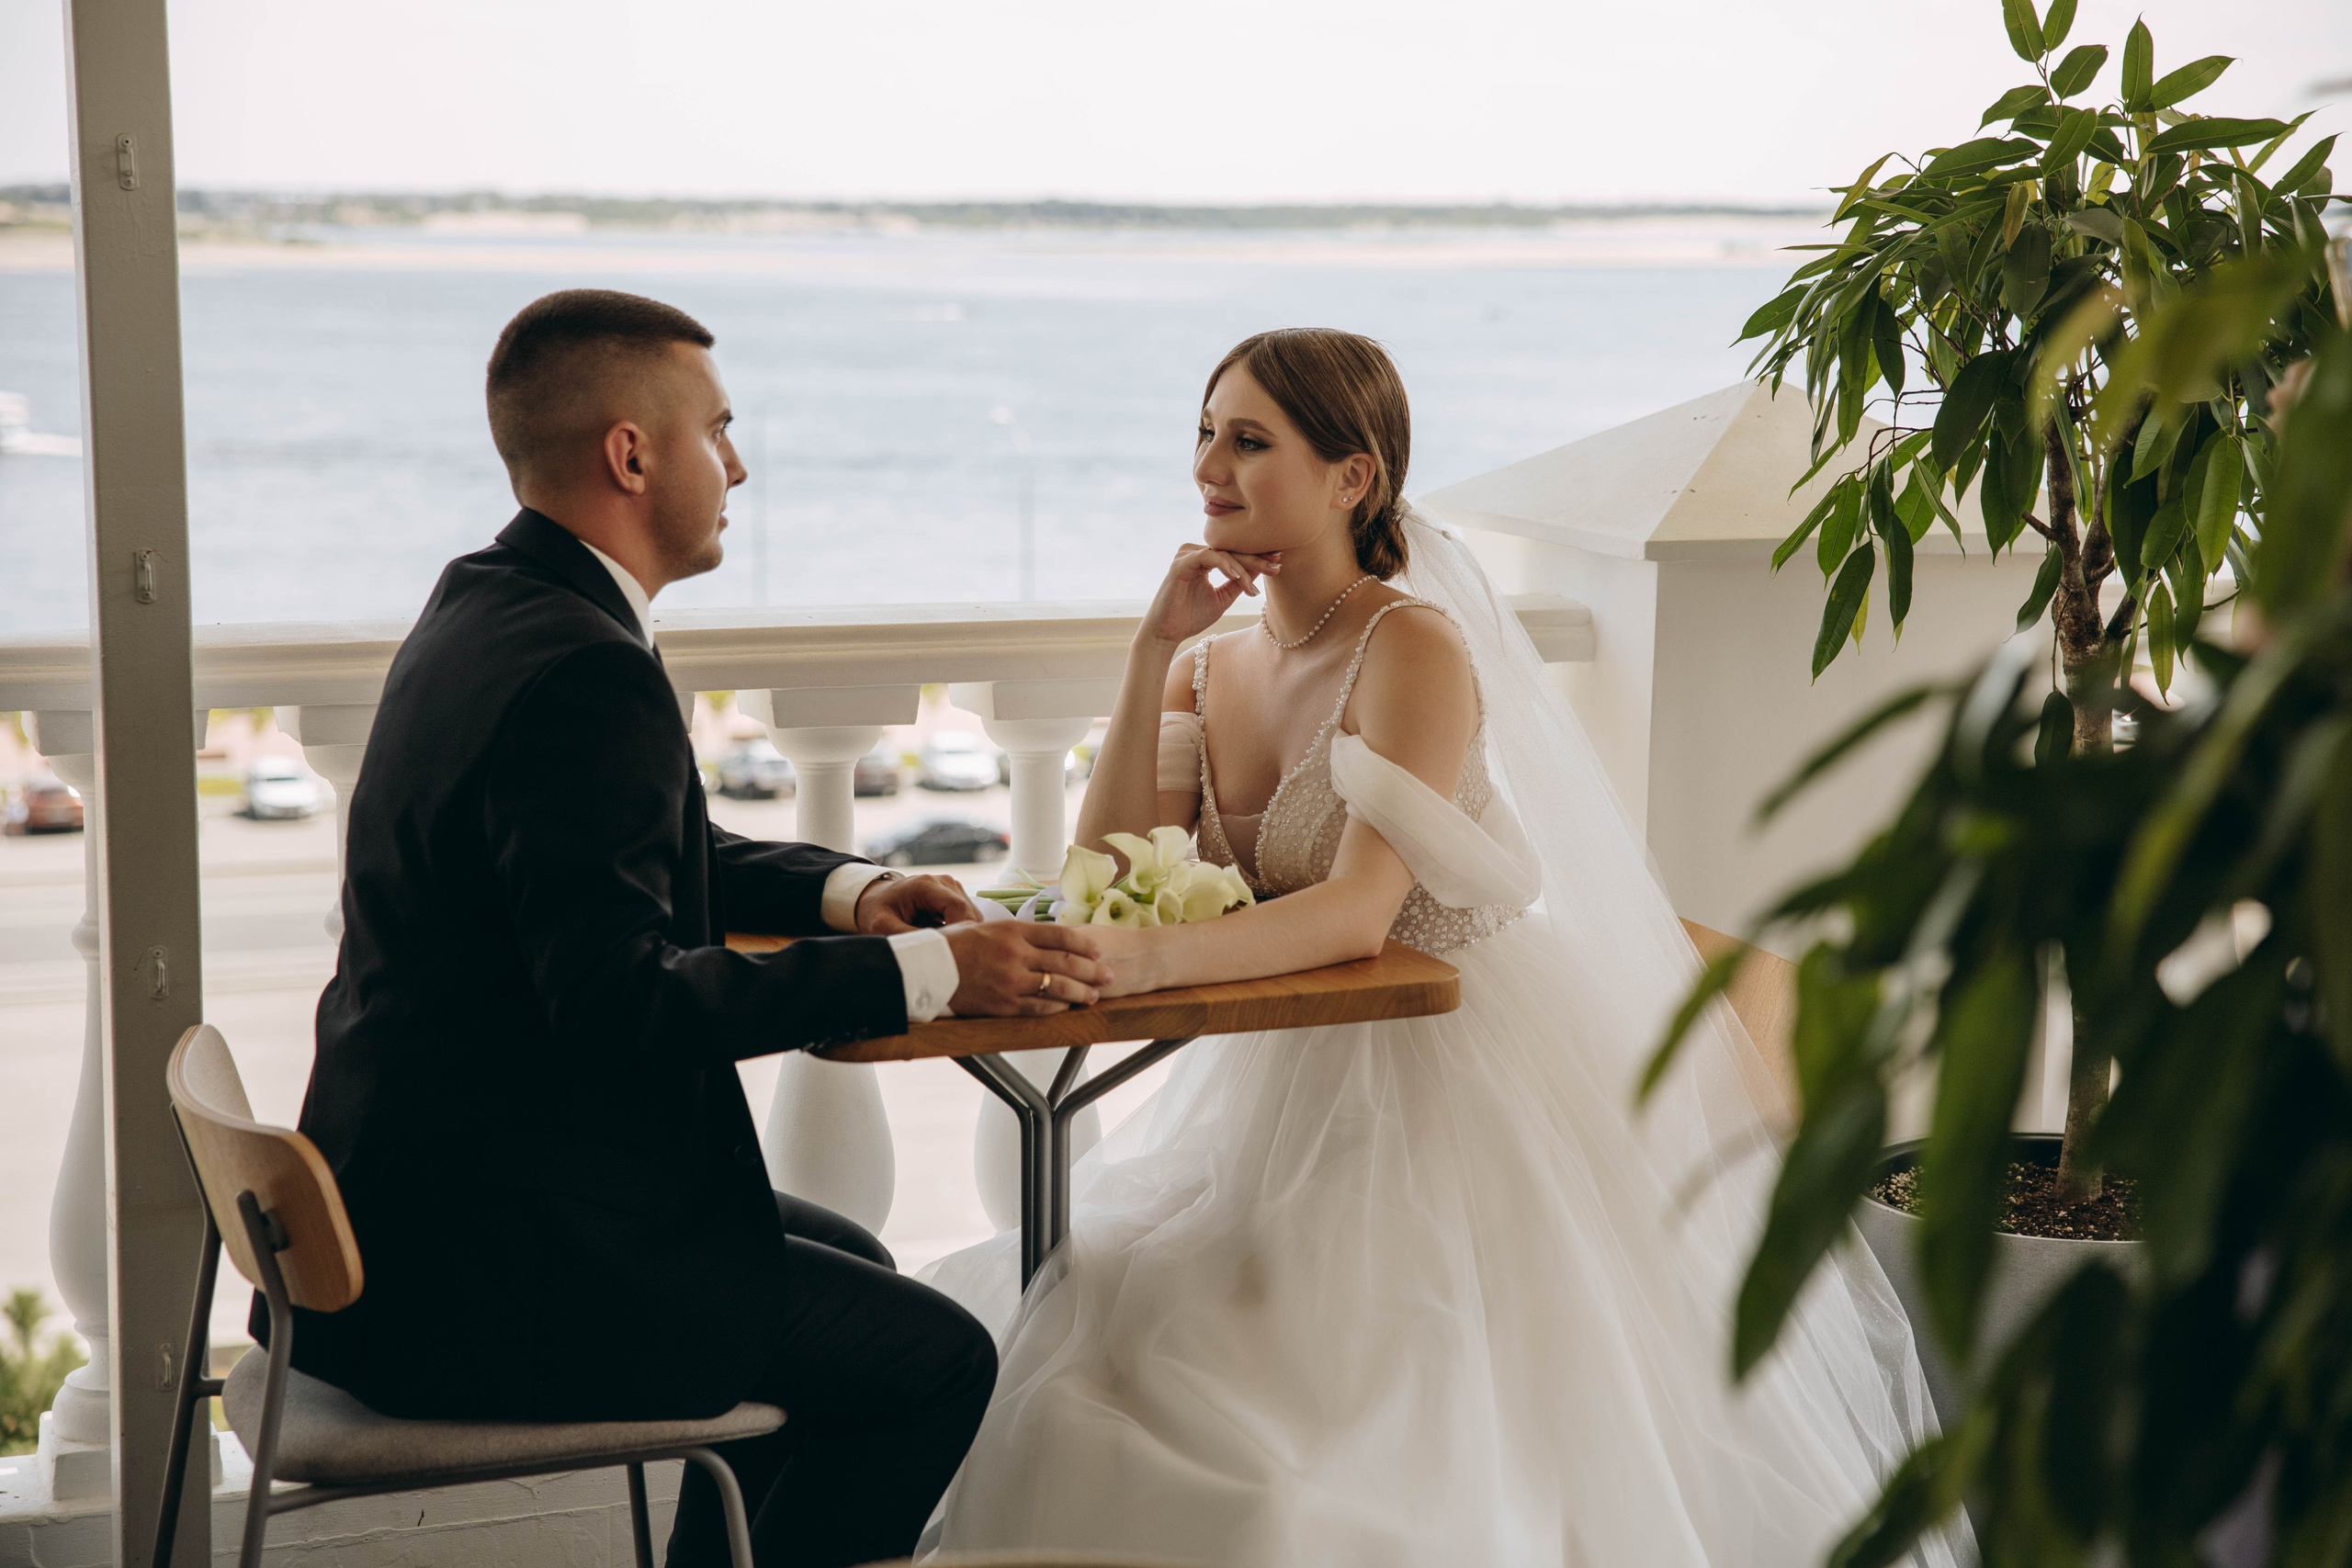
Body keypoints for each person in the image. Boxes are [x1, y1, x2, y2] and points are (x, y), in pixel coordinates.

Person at [922, 329, 1971, 1566]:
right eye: (1205, 434)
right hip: (1285, 1072)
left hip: (1447, 1068)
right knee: (1099, 1355)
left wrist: (1147, 968)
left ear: (1352, 477)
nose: (1211, 465)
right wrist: (1151, 653)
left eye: (1250, 440)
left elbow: (1361, 911)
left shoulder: (1409, 645)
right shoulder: (1209, 668)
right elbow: (1102, 884)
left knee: (1353, 1442)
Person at [274, 288, 1110, 1568]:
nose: (740, 464)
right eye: (719, 430)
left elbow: (634, 859)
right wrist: (926, 973)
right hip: (489, 1277)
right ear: (631, 455)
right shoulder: (586, 670)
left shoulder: (485, 604)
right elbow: (625, 1008)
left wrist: (849, 892)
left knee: (851, 1253)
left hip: (406, 1228)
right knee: (937, 1358)